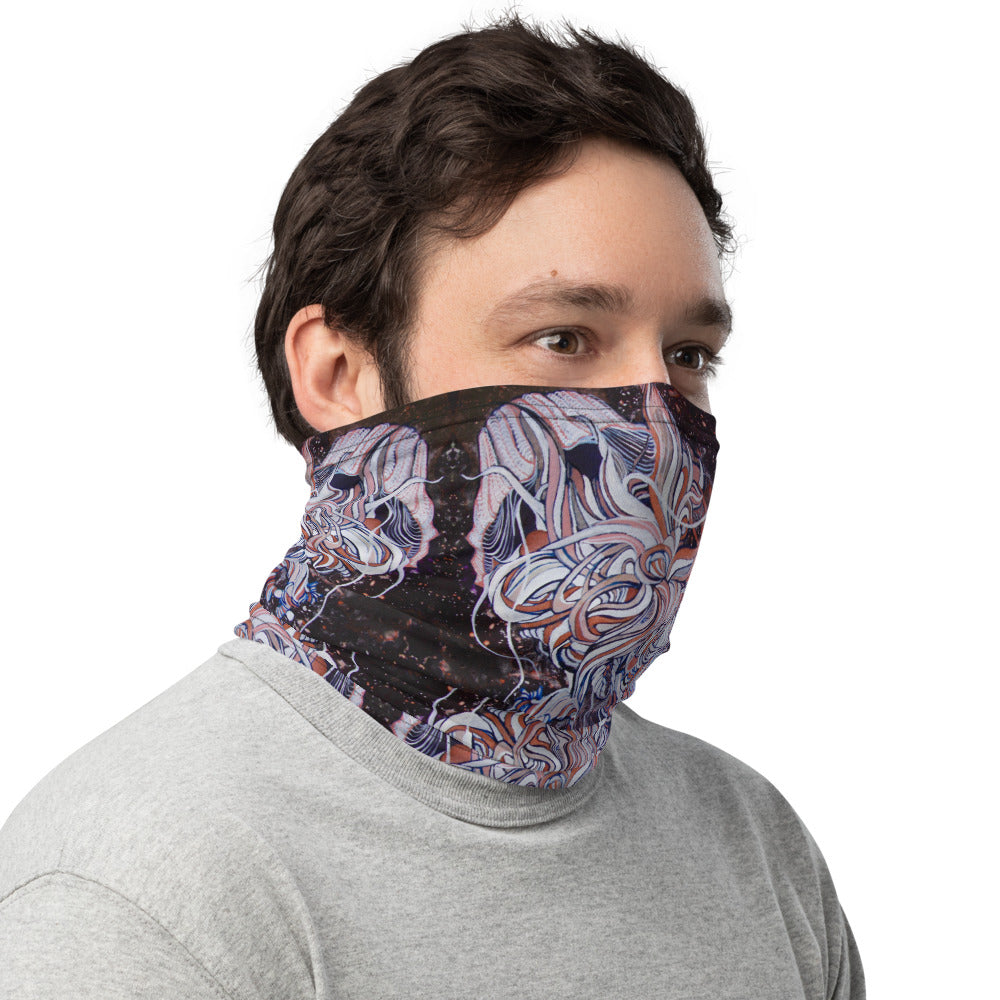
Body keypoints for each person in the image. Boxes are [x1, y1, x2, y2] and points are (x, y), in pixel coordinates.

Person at [0, 17, 863, 999]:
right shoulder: (144, 895)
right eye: (563, 337)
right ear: (339, 374)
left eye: (688, 354)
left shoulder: (757, 851)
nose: (656, 421)